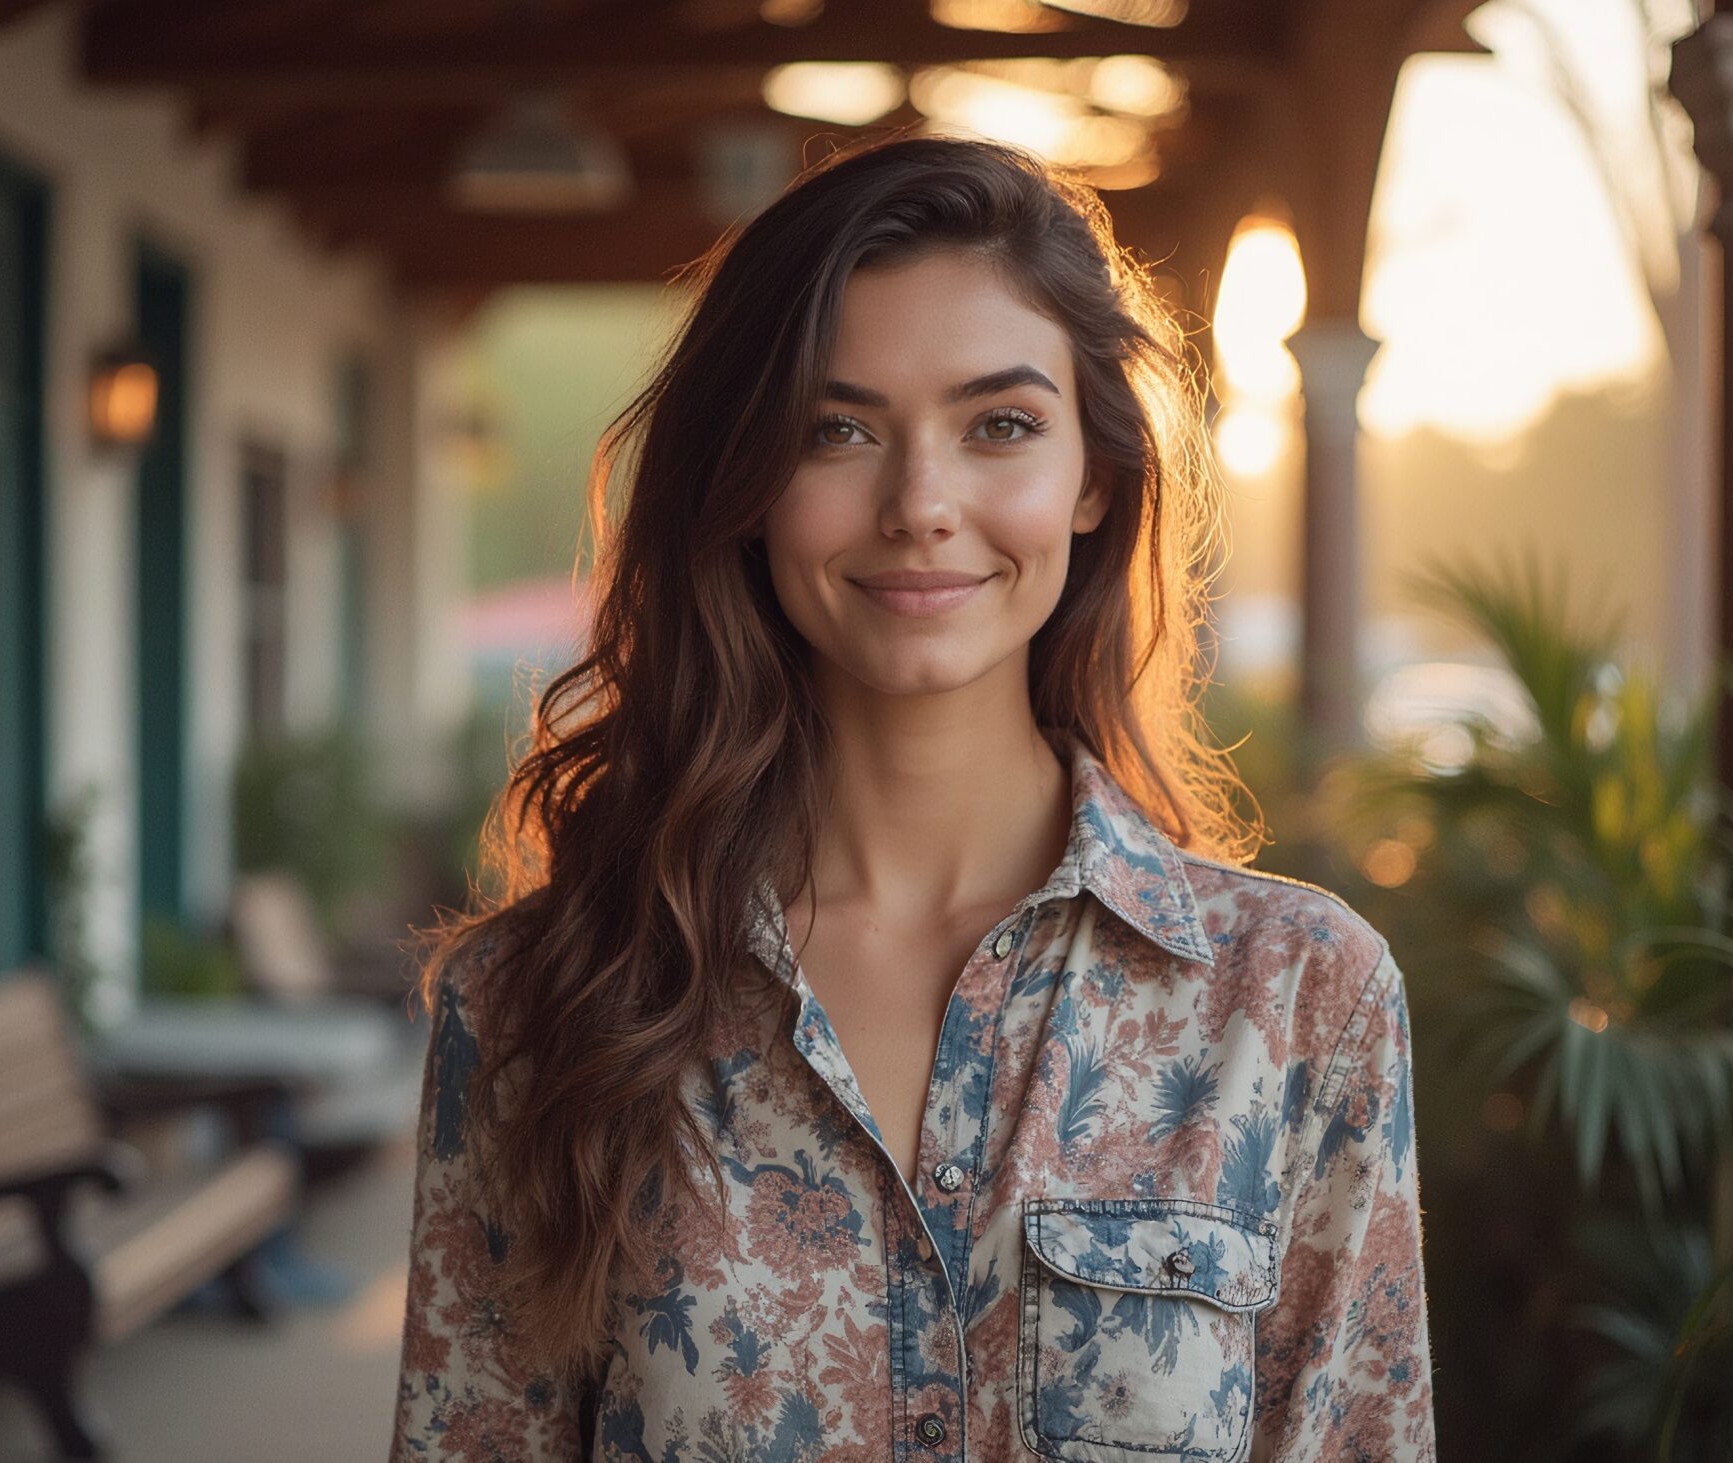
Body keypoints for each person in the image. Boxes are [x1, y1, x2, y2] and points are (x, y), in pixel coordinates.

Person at [390, 132, 1434, 1462]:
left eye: (999, 424)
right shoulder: (546, 1001)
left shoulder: (1298, 1001)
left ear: (1095, 476)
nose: (921, 502)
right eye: (837, 430)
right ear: (746, 489)